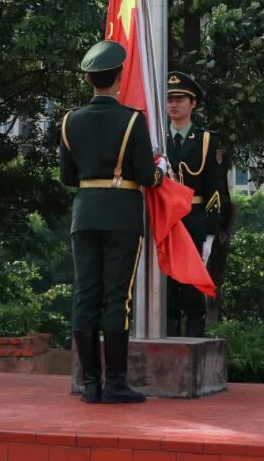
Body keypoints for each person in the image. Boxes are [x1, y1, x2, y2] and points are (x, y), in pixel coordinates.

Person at [59, 40, 166, 403]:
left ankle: (91, 384)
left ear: (89, 79)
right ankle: (116, 383)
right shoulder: (133, 119)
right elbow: (147, 177)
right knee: (116, 297)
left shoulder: (70, 121)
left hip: (85, 214)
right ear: (119, 77)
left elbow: (67, 178)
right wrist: (160, 171)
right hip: (121, 214)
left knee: (85, 296)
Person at [165, 71, 228, 338]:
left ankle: (192, 346)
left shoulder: (207, 141)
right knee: (165, 295)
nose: (173, 104)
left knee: (192, 294)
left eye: (180, 99)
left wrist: (210, 233)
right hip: (165, 222)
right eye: (169, 99)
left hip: (194, 221)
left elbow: (216, 191)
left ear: (193, 104)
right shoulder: (156, 139)